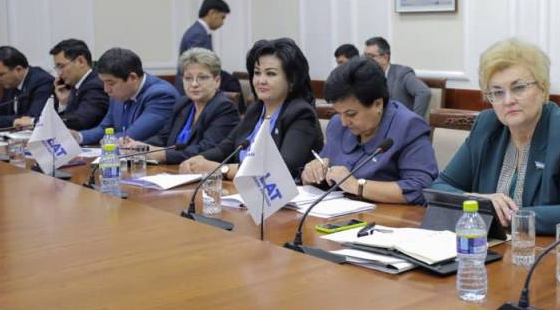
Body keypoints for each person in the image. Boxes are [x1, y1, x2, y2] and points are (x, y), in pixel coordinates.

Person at [431, 38, 560, 236]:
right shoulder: (487, 125)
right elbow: (439, 189)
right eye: (497, 92)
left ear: (543, 88)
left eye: (519, 88)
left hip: (557, 248)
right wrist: (479, 201)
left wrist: (508, 215)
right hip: (495, 246)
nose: (508, 100)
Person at [301, 57, 438, 204]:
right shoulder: (337, 125)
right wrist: (311, 174)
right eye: (339, 113)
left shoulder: (409, 126)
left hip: (386, 215)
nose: (344, 122)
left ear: (377, 104)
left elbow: (421, 188)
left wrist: (357, 186)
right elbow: (326, 172)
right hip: (335, 212)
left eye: (351, 114)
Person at [180, 38, 322, 179]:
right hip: (238, 189)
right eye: (257, 73)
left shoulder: (301, 113)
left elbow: (282, 168)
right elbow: (225, 148)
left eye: (270, 74)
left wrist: (222, 169)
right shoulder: (255, 109)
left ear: (292, 81)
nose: (261, 80)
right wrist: (198, 160)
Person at [124, 48, 239, 165]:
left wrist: (162, 155)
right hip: (172, 170)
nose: (194, 84)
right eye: (188, 78)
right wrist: (139, 146)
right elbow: (163, 137)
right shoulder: (183, 103)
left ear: (217, 81)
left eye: (202, 78)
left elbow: (206, 150)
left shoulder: (224, 108)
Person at [75, 48, 178, 144]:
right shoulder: (118, 94)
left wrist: (107, 140)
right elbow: (105, 128)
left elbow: (132, 136)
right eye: (104, 82)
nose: (106, 89)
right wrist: (78, 136)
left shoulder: (161, 95)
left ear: (132, 78)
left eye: (111, 83)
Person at [16, 38, 107, 131]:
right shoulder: (77, 85)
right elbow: (70, 119)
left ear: (81, 61)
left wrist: (34, 122)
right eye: (57, 68)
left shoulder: (96, 85)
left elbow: (80, 121)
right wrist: (64, 103)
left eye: (61, 66)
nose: (59, 73)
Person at [364, 36, 432, 120]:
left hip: (399, 123)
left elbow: (424, 92)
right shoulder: (366, 76)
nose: (366, 60)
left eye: (371, 56)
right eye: (365, 56)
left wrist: (415, 121)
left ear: (385, 58)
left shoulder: (402, 74)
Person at [0, 46, 54, 128]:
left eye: (1, 74)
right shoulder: (10, 83)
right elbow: (0, 109)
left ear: (18, 69)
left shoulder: (42, 82)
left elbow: (30, 118)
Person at [177, 0, 231, 92]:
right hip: (192, 90)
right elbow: (200, 66)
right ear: (212, 13)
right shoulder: (198, 34)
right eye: (222, 17)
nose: (223, 22)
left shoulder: (198, 31)